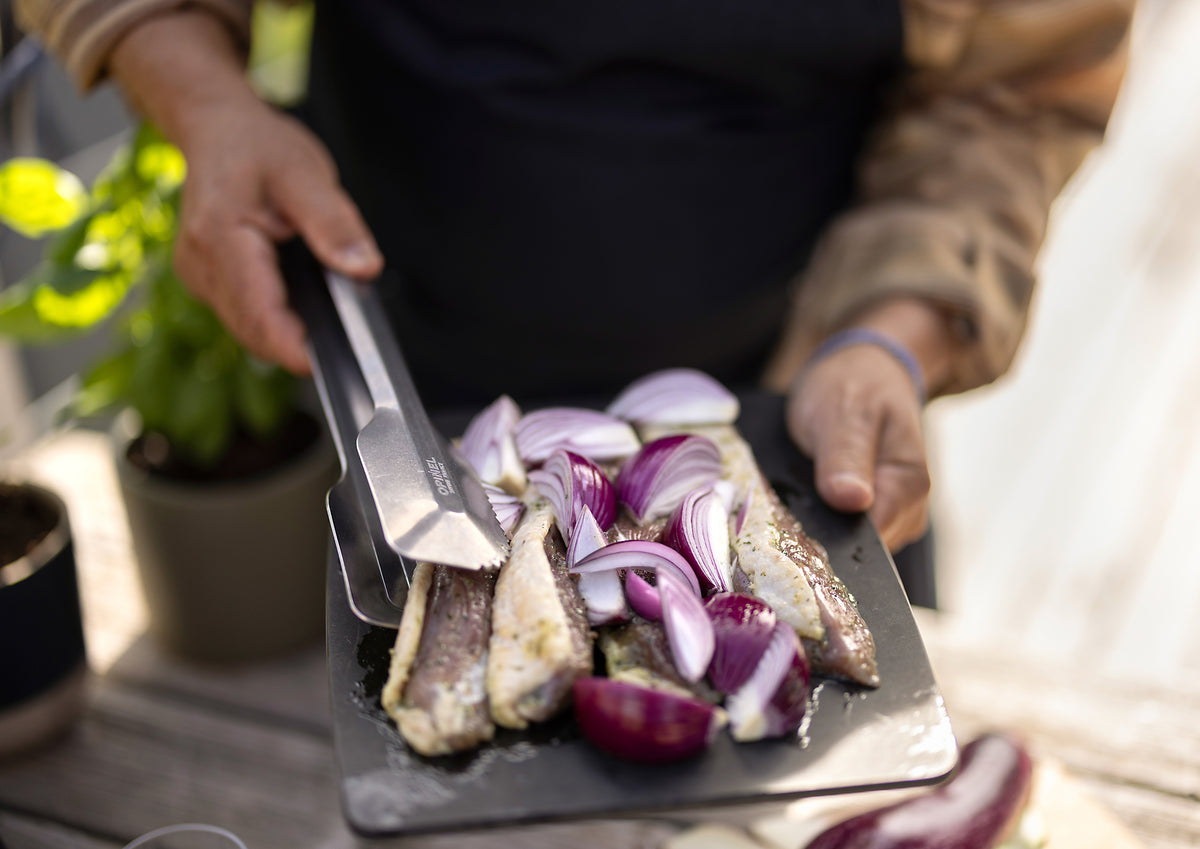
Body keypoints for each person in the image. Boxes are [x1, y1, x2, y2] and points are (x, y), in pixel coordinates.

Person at [15, 0, 1133, 595]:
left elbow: (1020, 89)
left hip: (795, 419)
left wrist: (890, 334)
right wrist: (207, 103)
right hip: (397, 383)